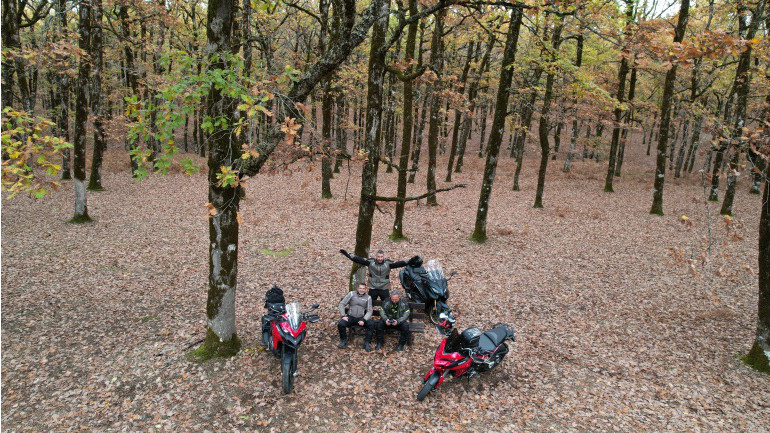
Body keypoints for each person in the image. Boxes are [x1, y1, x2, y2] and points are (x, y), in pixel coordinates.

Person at [339, 248, 411, 301]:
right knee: (369, 304)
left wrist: (410, 261)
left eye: (381, 257)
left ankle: (386, 320)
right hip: (373, 287)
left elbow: (399, 263)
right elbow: (358, 259)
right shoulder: (371, 262)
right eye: (378, 257)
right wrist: (348, 255)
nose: (380, 258)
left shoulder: (388, 264)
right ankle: (365, 319)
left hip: (384, 287)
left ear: (383, 257)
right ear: (376, 257)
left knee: (386, 304)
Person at [337, 283, 375, 351]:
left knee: (371, 324)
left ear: (365, 289)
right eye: (360, 288)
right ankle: (343, 341)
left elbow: (369, 310)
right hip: (350, 317)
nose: (362, 290)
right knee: (341, 324)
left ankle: (367, 343)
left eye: (363, 288)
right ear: (357, 288)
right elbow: (342, 304)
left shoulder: (368, 297)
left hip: (361, 318)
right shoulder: (351, 294)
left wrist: (364, 320)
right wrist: (343, 315)